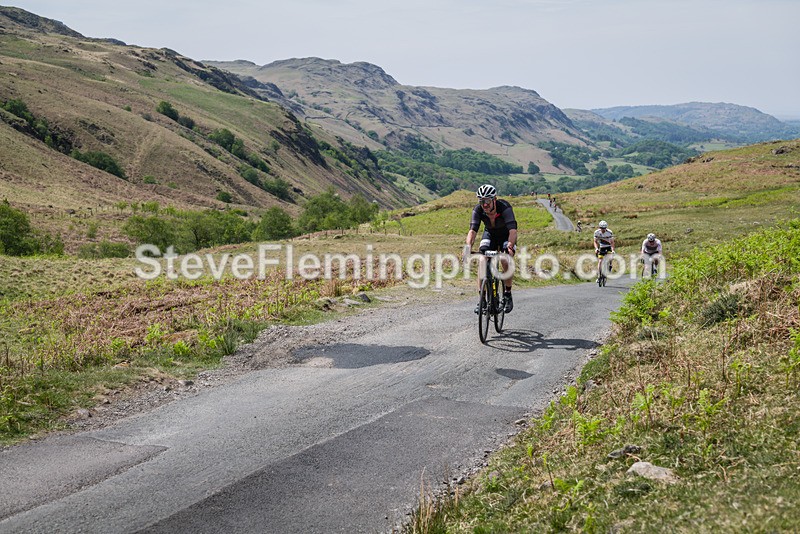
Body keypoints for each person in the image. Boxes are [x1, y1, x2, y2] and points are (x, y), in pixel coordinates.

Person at [465, 184, 517, 314]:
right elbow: (472, 231)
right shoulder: (478, 210)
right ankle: (482, 299)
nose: (485, 205)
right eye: (482, 201)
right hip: (490, 235)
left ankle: (507, 294)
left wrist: (510, 246)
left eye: (487, 201)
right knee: (482, 261)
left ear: (494, 199)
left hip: (505, 236)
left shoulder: (504, 207)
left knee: (505, 260)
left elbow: (513, 231)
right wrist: (467, 247)